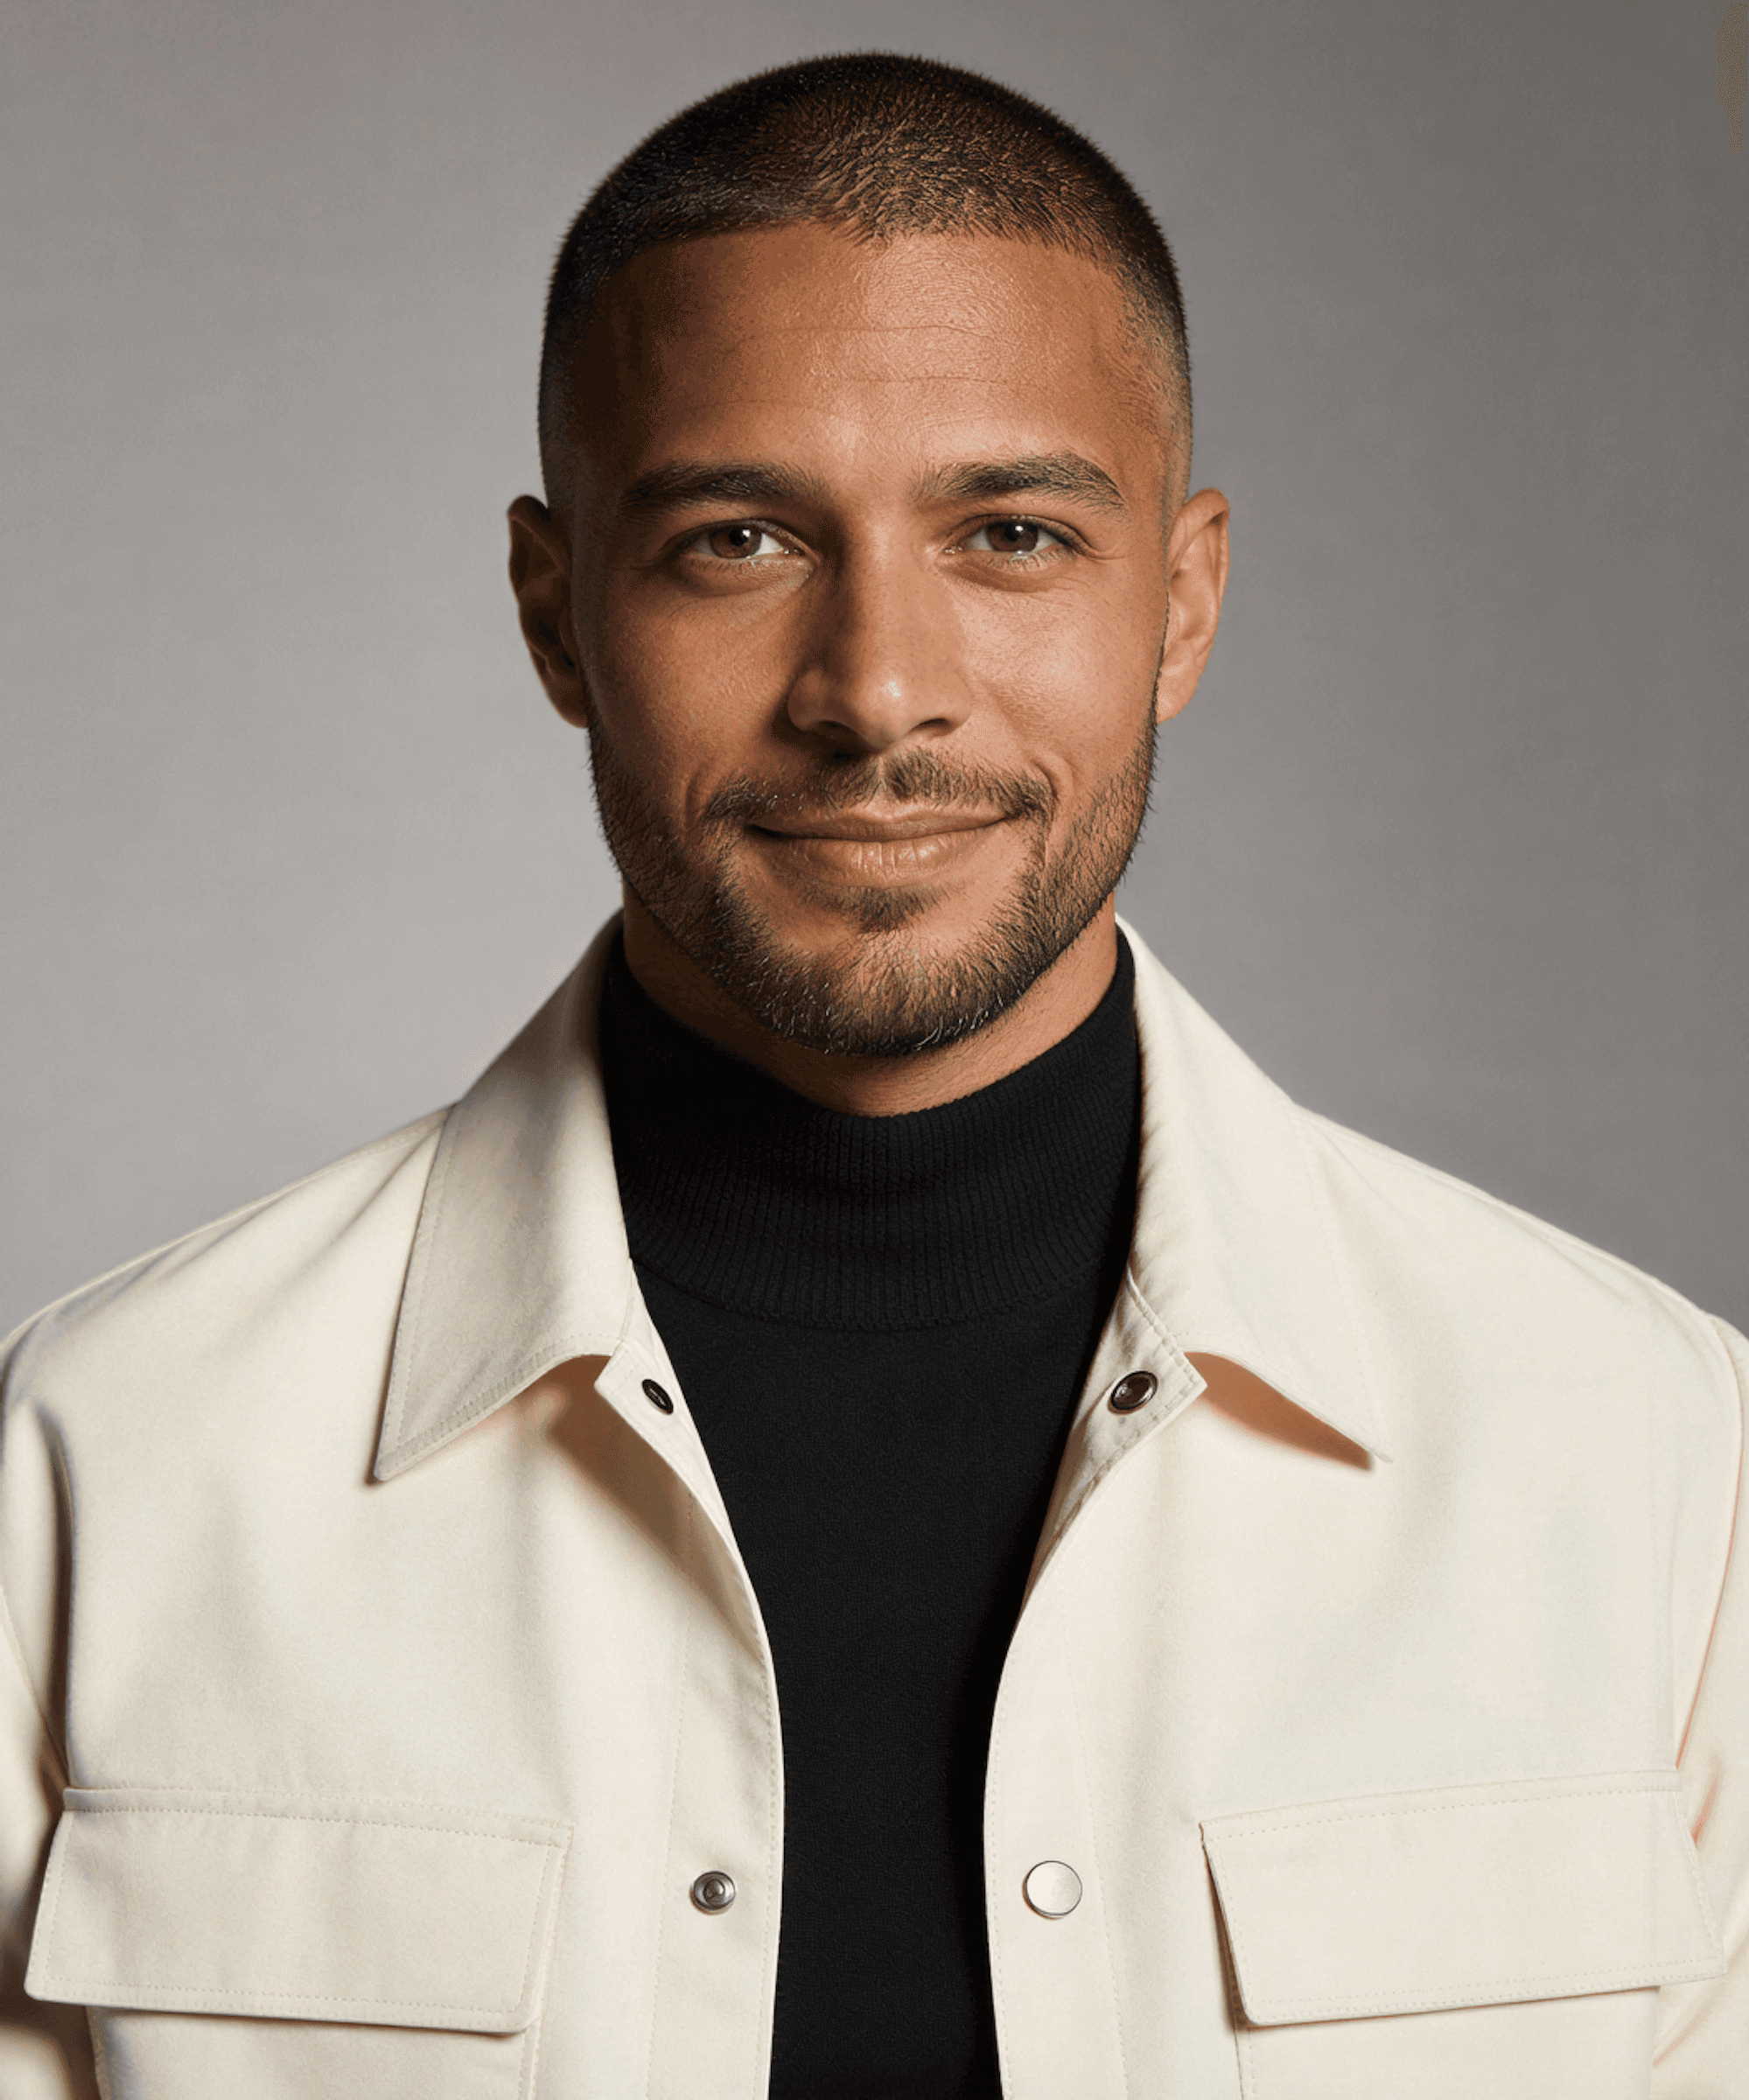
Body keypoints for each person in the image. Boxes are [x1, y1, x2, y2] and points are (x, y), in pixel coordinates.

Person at [1, 52, 1743, 2100]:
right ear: (558, 616)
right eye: (738, 538)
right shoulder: (98, 1473)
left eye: (1010, 532)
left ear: (1179, 601)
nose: (878, 694)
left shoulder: (1655, 1474)